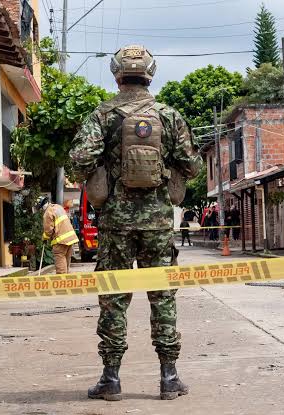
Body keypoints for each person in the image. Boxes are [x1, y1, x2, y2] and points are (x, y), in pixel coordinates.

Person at [70, 44, 202, 402]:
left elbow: (79, 160)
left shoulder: (102, 115)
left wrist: (102, 170)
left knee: (113, 299)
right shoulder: (169, 116)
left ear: (116, 75)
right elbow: (193, 166)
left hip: (115, 224)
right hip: (158, 223)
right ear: (150, 74)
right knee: (163, 297)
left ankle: (111, 379)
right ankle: (169, 377)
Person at [35, 196, 78, 274]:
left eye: (40, 208)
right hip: (70, 238)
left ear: (42, 206)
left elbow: (48, 230)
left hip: (60, 240)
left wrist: (44, 237)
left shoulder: (48, 212)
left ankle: (61, 278)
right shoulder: (58, 207)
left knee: (59, 257)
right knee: (66, 260)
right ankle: (66, 278)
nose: (41, 210)